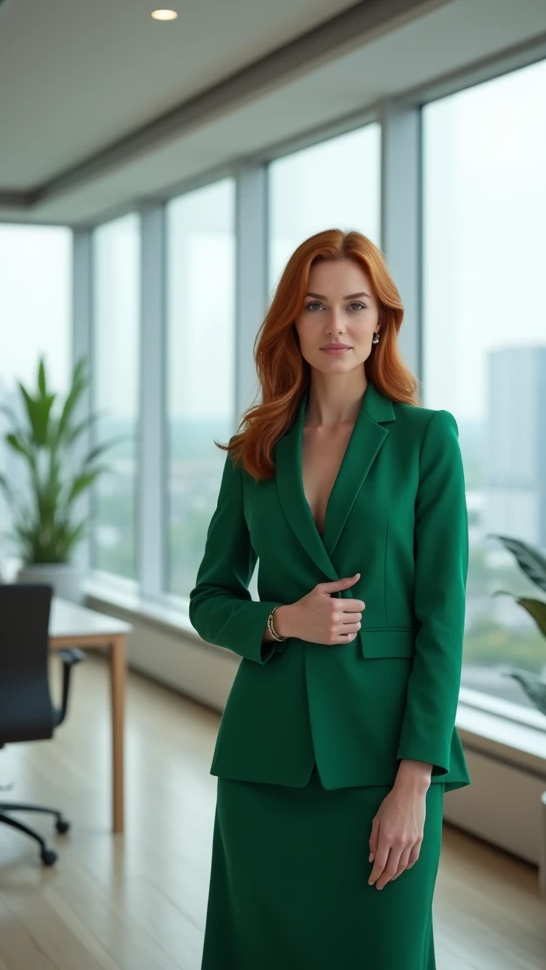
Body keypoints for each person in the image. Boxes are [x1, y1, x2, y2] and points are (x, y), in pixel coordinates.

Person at [189, 228, 471, 970]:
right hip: (267, 763)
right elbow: (210, 597)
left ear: (382, 320)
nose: (335, 325)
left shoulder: (424, 439)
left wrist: (416, 782)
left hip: (384, 762)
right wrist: (281, 619)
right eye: (315, 306)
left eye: (354, 305)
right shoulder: (256, 449)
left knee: (386, 951)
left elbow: (443, 621)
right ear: (293, 321)